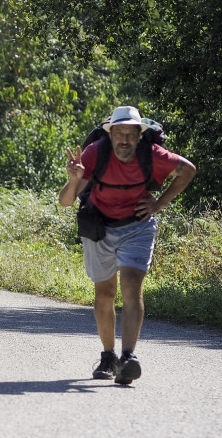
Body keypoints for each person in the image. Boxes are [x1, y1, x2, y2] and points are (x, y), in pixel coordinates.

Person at [59, 106, 196, 385]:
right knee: (105, 293)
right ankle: (108, 356)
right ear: (110, 135)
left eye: (130, 134)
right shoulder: (96, 153)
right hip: (99, 227)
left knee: (132, 287)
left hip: (137, 226)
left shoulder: (152, 154)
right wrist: (74, 180)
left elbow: (188, 170)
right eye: (118, 133)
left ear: (138, 136)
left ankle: (129, 357)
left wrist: (159, 203)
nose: (124, 140)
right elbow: (65, 201)